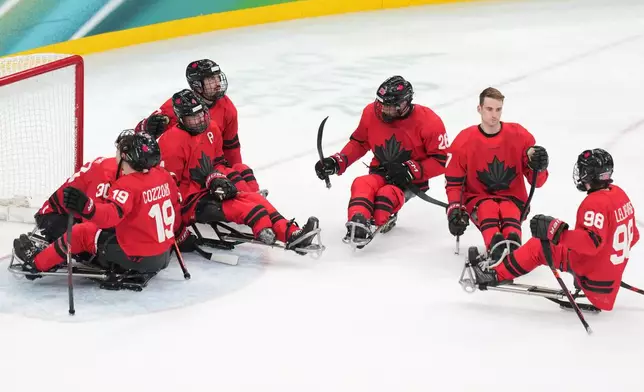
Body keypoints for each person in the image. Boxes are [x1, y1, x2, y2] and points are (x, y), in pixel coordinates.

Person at [469, 149, 639, 311]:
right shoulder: (619, 195)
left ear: (589, 174)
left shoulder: (595, 202)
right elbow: (634, 237)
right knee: (574, 247)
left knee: (537, 246)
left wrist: (556, 231)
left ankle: (494, 275)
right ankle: (588, 276)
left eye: (582, 169)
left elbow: (590, 244)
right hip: (609, 274)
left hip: (594, 277)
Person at [158, 89, 320, 254]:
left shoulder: (211, 127)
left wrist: (217, 179)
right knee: (248, 209)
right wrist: (177, 232)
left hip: (209, 188)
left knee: (255, 198)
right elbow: (168, 191)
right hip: (191, 201)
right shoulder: (171, 143)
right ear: (180, 118)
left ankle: (292, 233)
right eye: (193, 118)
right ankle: (264, 228)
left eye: (201, 114)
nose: (200, 120)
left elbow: (218, 161)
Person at [13, 131, 180, 279]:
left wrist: (87, 207)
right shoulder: (163, 175)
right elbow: (174, 204)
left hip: (137, 259)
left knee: (81, 232)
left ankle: (36, 264)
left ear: (125, 157)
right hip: (164, 255)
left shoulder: (128, 183)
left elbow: (109, 217)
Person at [315, 75, 448, 245]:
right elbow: (360, 142)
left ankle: (381, 215)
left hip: (409, 180)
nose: (385, 109)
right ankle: (358, 219)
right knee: (361, 183)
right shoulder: (371, 112)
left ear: (406, 103)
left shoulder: (429, 121)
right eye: (383, 103)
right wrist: (337, 161)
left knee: (386, 195)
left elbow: (443, 160)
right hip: (380, 171)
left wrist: (411, 169)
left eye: (392, 106)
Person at [445, 87, 549, 261]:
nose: (494, 115)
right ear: (479, 109)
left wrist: (540, 167)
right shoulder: (463, 141)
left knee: (508, 209)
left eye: (498, 109)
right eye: (489, 109)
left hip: (514, 199)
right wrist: (455, 209)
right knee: (489, 208)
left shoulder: (520, 136)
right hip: (478, 200)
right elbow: (454, 183)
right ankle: (496, 246)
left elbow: (537, 182)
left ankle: (513, 245)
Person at [136, 59, 259, 192]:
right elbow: (139, 136)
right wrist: (147, 127)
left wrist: (233, 174)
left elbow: (231, 147)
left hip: (211, 169)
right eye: (211, 80)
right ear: (197, 84)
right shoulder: (178, 106)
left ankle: (252, 197)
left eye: (217, 77)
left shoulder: (228, 108)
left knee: (242, 171)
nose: (217, 83)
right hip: (186, 177)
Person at [34, 156, 117, 243]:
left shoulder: (113, 165)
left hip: (74, 215)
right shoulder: (104, 176)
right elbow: (92, 220)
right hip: (54, 216)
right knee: (99, 241)